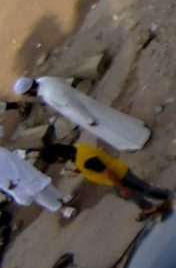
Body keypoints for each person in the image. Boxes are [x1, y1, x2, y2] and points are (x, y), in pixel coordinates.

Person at [12, 75, 149, 155]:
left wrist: (87, 119)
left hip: (84, 112)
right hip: (85, 102)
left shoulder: (49, 94)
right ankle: (137, 128)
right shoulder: (46, 80)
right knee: (112, 117)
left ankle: (135, 141)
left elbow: (71, 105)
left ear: (30, 90)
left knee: (109, 128)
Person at [0, 147, 68, 216]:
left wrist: (6, 185)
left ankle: (61, 207)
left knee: (38, 193)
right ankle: (62, 199)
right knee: (40, 185)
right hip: (18, 171)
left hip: (14, 178)